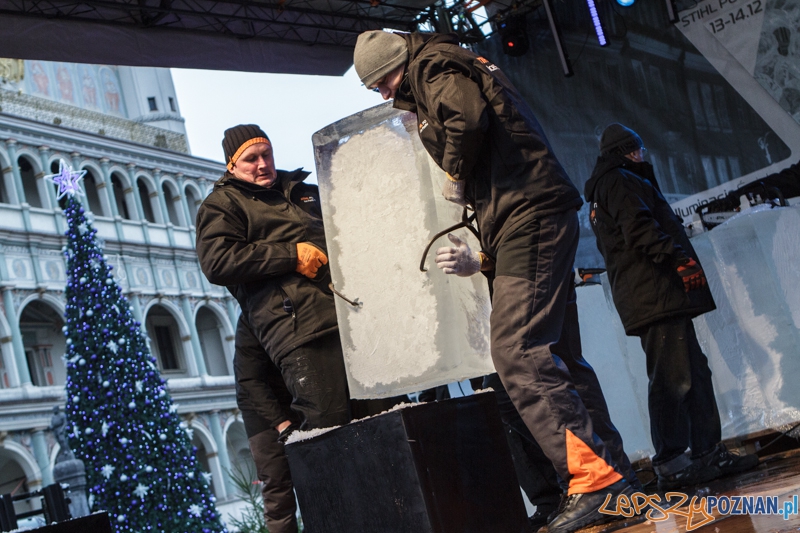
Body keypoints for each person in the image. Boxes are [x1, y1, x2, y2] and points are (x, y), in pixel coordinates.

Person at [353, 31, 636, 533]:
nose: (383, 94)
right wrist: (483, 253)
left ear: (397, 63)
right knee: (561, 354)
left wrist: (455, 174)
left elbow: (465, 118)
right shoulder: (446, 62)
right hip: (532, 211)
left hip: (528, 212)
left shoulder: (432, 67)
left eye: (381, 83)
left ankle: (594, 481)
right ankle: (615, 479)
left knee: (517, 350)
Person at [584, 123, 760, 491]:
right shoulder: (619, 181)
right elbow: (640, 229)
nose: (641, 154)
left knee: (694, 375)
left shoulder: (614, 184)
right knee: (671, 380)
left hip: (657, 294)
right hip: (654, 294)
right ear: (624, 152)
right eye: (636, 149)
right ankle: (671, 462)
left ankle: (707, 452)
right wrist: (678, 258)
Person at [234, 318, 300, 533]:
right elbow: (249, 380)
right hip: (259, 409)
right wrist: (281, 424)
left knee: (316, 480)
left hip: (297, 397)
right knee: (278, 489)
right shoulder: (250, 318)